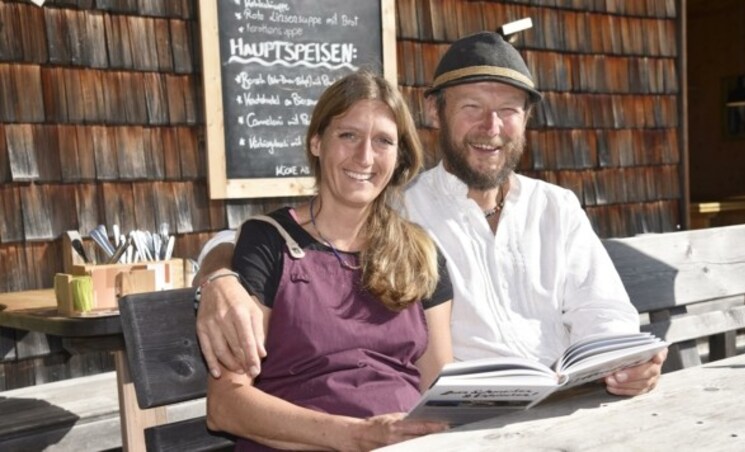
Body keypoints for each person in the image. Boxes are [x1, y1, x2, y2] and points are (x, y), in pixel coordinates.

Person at [195, 32, 666, 398]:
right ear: (435, 113)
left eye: (508, 110)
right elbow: (269, 236)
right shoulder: (398, 205)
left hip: (571, 403)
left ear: (526, 120)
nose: (492, 128)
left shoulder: (556, 207)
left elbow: (602, 310)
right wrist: (220, 276)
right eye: (472, 108)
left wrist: (625, 360)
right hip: (472, 421)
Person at [203, 70, 454, 451]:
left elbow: (437, 388)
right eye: (348, 135)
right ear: (317, 142)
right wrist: (355, 436)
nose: (365, 157)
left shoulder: (420, 254)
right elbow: (225, 405)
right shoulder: (270, 243)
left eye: (383, 141)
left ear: (399, 154)